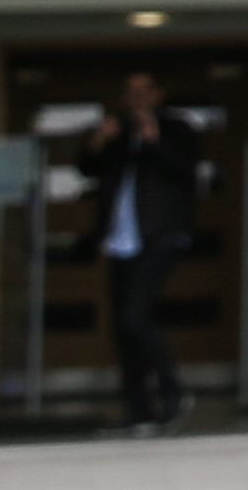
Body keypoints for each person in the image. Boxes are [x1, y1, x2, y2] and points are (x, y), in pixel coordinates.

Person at [78, 70, 199, 434]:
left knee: (135, 316)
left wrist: (154, 140)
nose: (137, 98)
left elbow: (186, 171)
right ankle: (139, 411)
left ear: (159, 94)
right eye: (130, 92)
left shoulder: (178, 129)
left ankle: (174, 389)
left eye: (144, 90)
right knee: (122, 326)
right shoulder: (117, 132)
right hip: (120, 239)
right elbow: (85, 169)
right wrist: (98, 140)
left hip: (159, 236)